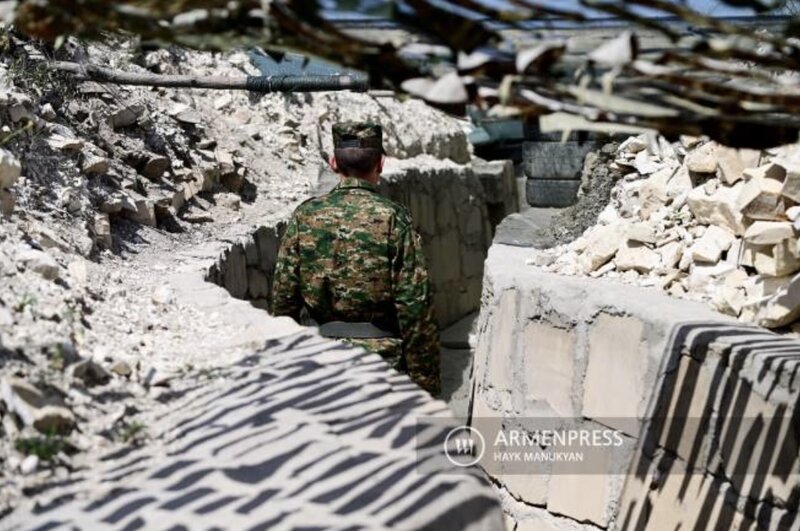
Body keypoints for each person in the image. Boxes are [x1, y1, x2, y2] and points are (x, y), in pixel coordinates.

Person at [271, 122, 440, 395]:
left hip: (319, 364)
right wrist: (425, 386)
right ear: (381, 163)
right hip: (383, 368)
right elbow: (415, 306)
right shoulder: (393, 217)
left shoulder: (305, 216)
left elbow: (283, 299)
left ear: (333, 163)